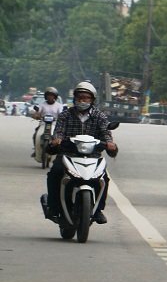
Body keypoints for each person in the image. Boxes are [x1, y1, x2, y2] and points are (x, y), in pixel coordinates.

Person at [43, 82, 118, 224]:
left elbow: (106, 133)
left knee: (103, 179)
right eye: (79, 97)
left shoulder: (99, 116)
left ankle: (98, 210)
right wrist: (57, 140)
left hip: (93, 157)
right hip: (68, 155)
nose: (82, 101)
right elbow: (58, 131)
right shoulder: (65, 115)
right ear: (74, 99)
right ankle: (53, 206)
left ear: (92, 100)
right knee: (55, 174)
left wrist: (110, 144)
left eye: (86, 98)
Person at [32, 87, 64, 158]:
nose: (50, 97)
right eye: (48, 95)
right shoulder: (42, 104)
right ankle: (36, 151)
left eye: (52, 95)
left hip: (54, 125)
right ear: (46, 96)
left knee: (57, 137)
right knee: (35, 135)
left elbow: (62, 115)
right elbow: (37, 112)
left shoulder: (58, 106)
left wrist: (61, 118)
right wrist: (36, 114)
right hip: (43, 124)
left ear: (55, 96)